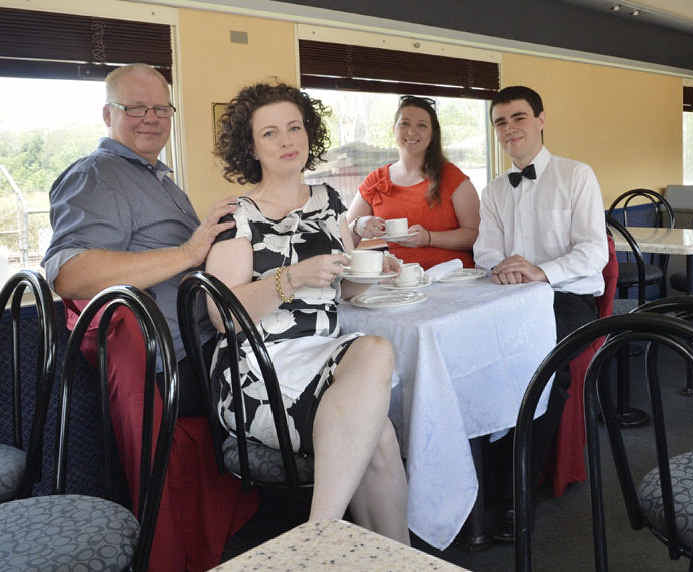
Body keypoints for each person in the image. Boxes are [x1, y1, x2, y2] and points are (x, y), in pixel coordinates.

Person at [42, 63, 258, 571]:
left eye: (161, 108)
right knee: (310, 364)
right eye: (135, 108)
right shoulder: (95, 175)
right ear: (107, 114)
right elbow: (71, 275)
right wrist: (188, 252)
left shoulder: (155, 175)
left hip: (201, 341)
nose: (150, 118)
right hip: (176, 364)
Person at [207, 82, 409, 541]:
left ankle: (320, 539)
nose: (287, 141)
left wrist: (379, 269)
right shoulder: (237, 216)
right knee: (378, 434)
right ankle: (326, 539)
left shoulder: (332, 201)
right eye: (271, 133)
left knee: (375, 351)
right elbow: (223, 317)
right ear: (251, 148)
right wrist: (293, 277)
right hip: (259, 369)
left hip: (323, 352)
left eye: (294, 128)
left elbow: (348, 285)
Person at [473, 85, 607, 536]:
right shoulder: (492, 190)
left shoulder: (576, 175)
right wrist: (505, 268)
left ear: (541, 120)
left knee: (539, 370)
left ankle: (518, 494)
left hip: (567, 299)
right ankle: (481, 483)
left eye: (518, 118)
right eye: (500, 123)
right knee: (475, 361)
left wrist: (540, 271)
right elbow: (484, 253)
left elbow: (594, 254)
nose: (509, 129)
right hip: (510, 299)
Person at [348, 95, 479, 269]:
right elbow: (342, 240)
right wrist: (358, 226)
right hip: (401, 284)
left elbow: (476, 236)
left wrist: (429, 238)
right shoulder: (376, 180)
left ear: (433, 134)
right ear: (394, 129)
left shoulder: (452, 177)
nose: (411, 132)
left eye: (422, 125)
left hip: (454, 279)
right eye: (405, 123)